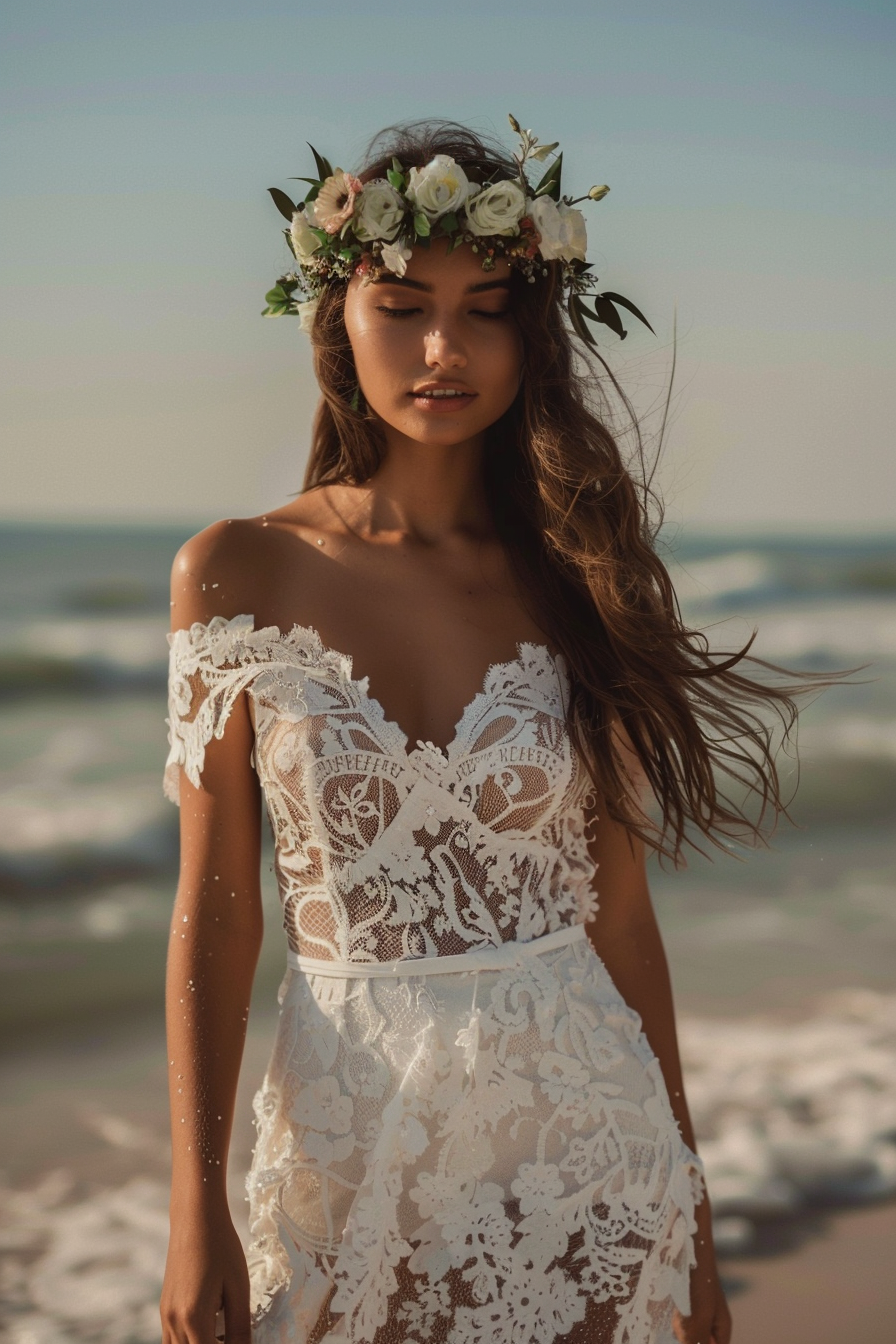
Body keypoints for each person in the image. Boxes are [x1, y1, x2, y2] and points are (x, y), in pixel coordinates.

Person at [156, 115, 813, 1344]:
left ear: (533, 331)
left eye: (487, 306)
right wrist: (193, 1215)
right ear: (335, 321)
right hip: (348, 1148)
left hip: (587, 1151)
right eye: (401, 305)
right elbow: (220, 906)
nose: (442, 347)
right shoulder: (238, 570)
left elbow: (616, 914)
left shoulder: (578, 574)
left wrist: (696, 1217)